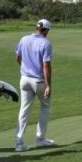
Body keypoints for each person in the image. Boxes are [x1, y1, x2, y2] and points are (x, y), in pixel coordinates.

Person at [15, 19, 55, 152]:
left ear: (36, 27)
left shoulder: (24, 39)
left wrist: (26, 68)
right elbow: (46, 65)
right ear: (46, 30)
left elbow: (17, 58)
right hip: (38, 81)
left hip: (24, 79)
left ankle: (19, 143)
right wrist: (48, 85)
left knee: (24, 110)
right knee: (45, 107)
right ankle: (40, 139)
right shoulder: (45, 43)